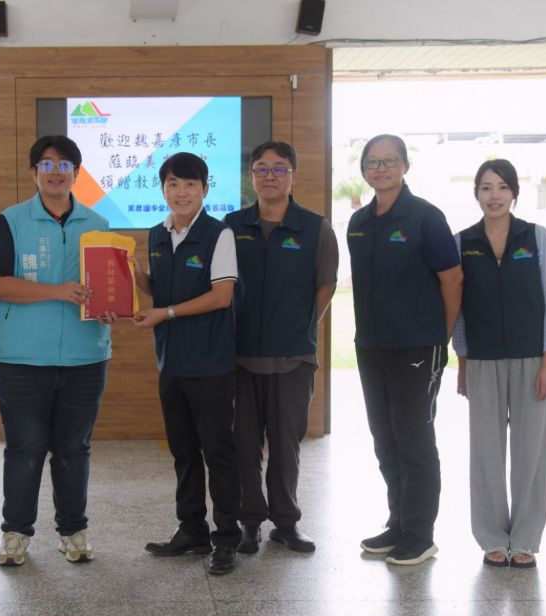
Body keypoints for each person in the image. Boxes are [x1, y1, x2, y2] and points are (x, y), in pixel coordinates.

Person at [0, 135, 114, 568]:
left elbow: (106, 288)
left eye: (65, 164)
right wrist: (56, 291)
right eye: (47, 164)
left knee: (74, 449)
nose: (56, 171)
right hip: (21, 359)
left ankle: (73, 531)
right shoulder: (12, 221)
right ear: (34, 172)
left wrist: (109, 306)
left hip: (86, 357)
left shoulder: (98, 224)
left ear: (77, 172)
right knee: (25, 449)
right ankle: (16, 534)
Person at [347, 134, 463, 566]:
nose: (381, 168)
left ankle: (419, 534)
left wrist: (439, 336)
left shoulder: (426, 217)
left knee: (414, 440)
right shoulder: (358, 222)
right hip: (371, 346)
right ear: (364, 169)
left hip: (417, 346)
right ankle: (398, 523)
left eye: (389, 161)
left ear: (404, 166)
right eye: (373, 162)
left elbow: (452, 279)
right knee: (385, 438)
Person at [223, 141, 338, 555]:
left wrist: (302, 325)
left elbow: (326, 284)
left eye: (279, 168)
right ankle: (249, 522)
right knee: (244, 444)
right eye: (261, 168)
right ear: (251, 175)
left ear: (293, 175)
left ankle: (286, 522)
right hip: (239, 357)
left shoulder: (315, 227)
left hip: (293, 357)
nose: (269, 176)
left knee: (287, 446)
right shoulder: (231, 226)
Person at [136, 152, 241, 575]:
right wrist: (133, 276)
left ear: (205, 189)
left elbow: (222, 296)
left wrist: (165, 313)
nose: (181, 192)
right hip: (171, 362)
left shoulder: (220, 234)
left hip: (210, 364)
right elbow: (159, 288)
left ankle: (227, 538)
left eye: (190, 184)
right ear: (163, 189)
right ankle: (192, 530)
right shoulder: (156, 234)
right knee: (183, 451)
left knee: (218, 452)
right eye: (173, 184)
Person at [453, 159, 546, 570]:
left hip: (532, 360)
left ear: (514, 192)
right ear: (477, 194)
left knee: (532, 451)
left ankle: (527, 538)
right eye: (486, 187)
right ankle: (493, 537)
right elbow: (458, 310)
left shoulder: (536, 238)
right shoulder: (463, 242)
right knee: (486, 452)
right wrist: (463, 360)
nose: (494, 195)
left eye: (501, 187)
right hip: (482, 361)